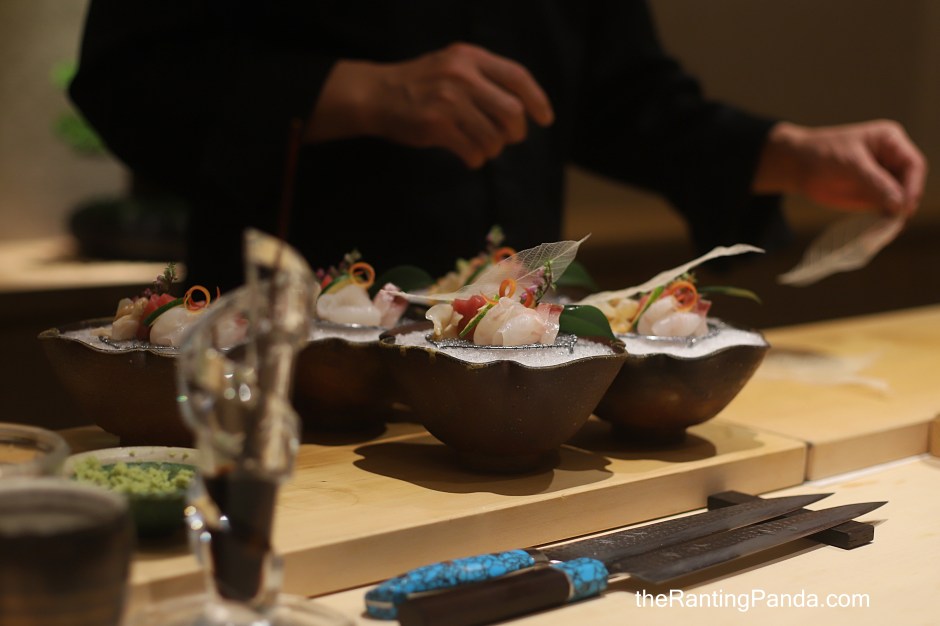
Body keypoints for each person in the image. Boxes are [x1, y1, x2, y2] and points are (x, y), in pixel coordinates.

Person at [69, 1, 926, 291]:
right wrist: (363, 92)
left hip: (509, 364)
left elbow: (621, 97)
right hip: (279, 356)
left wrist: (791, 153)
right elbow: (127, 78)